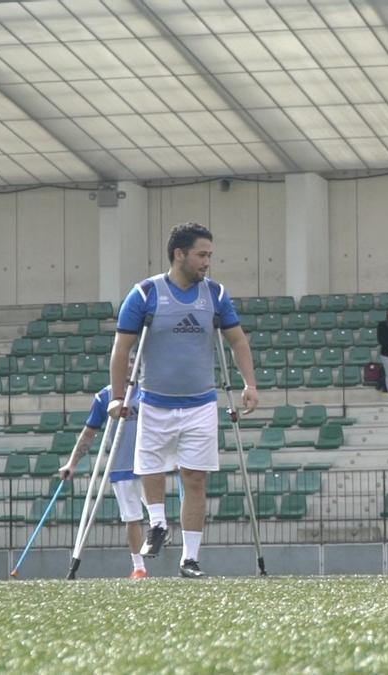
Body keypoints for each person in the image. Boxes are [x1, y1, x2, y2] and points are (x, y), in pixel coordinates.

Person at [110, 222, 258, 579]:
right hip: (156, 401)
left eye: (209, 255)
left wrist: (249, 383)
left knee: (195, 478)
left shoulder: (216, 295)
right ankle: (158, 524)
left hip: (200, 404)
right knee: (150, 467)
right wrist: (117, 397)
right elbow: (122, 349)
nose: (207, 262)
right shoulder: (145, 294)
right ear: (180, 254)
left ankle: (190, 559)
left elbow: (237, 341)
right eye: (202, 255)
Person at [59, 383, 148, 579]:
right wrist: (71, 464)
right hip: (122, 466)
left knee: (158, 515)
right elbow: (89, 433)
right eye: (127, 359)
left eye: (134, 359)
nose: (130, 364)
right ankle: (139, 568)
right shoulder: (104, 396)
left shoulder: (148, 389)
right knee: (131, 517)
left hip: (150, 464)